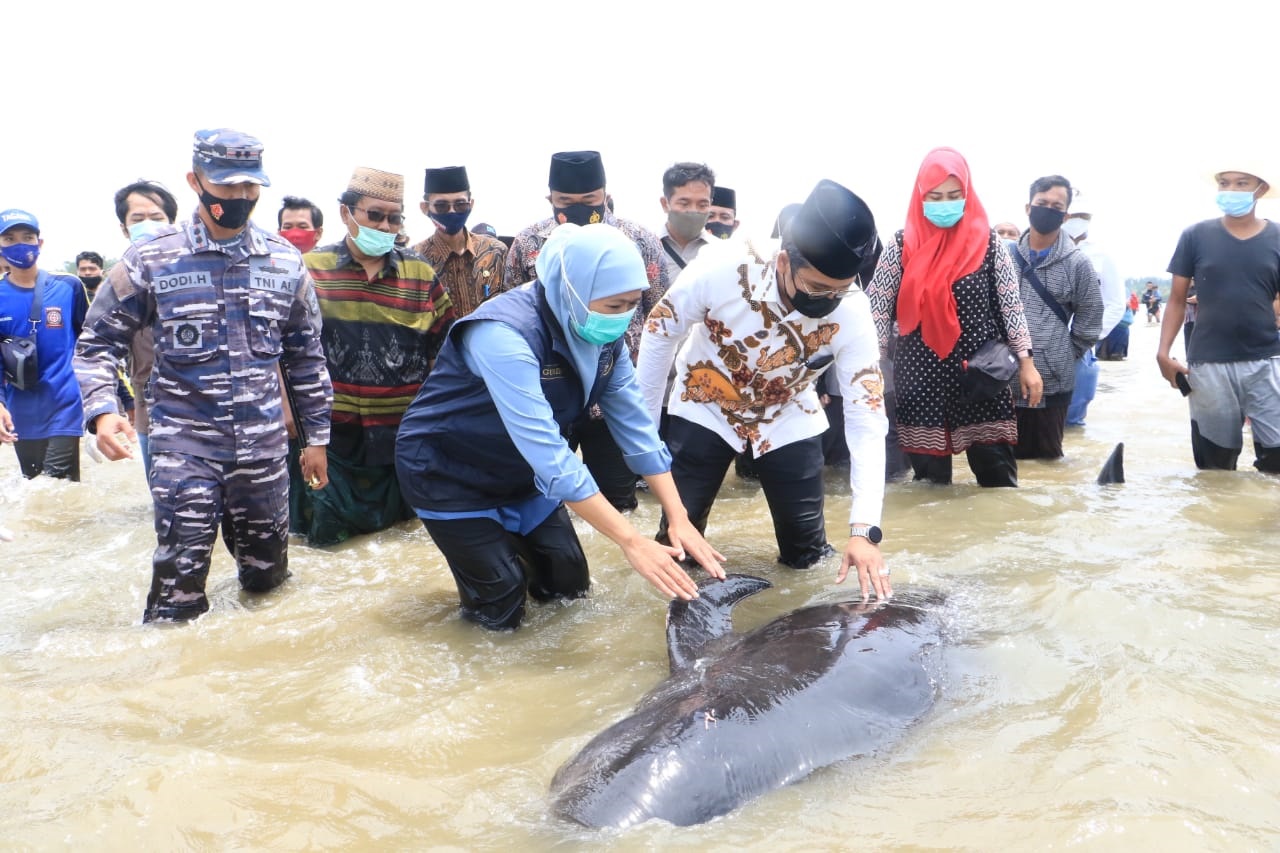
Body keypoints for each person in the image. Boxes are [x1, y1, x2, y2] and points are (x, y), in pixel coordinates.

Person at [395, 224, 725, 630]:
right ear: (573, 289)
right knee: (501, 600)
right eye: (613, 305)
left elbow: (637, 427)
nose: (622, 318)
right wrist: (631, 541)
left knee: (568, 583)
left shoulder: (603, 335)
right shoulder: (503, 334)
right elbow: (551, 457)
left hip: (520, 472)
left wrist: (678, 517)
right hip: (448, 472)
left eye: (631, 305)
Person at [74, 128, 333, 623]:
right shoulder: (151, 259)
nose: (238, 197)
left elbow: (305, 357)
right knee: (179, 589)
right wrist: (103, 412)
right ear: (196, 181)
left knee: (268, 582)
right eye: (226, 184)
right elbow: (96, 346)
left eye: (249, 187)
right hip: (184, 447)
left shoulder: (283, 262)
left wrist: (316, 439)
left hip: (262, 451)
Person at [638, 179, 892, 600]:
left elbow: (867, 416)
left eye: (838, 290)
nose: (826, 300)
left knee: (807, 558)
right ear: (782, 263)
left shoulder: (853, 310)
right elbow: (658, 330)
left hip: (786, 412)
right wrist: (644, 439)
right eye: (814, 288)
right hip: (706, 403)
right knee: (677, 544)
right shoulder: (721, 266)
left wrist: (865, 531)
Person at [293, 167, 454, 546]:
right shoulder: (310, 271)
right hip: (330, 439)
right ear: (346, 213)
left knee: (404, 539)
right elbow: (287, 353)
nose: (385, 225)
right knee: (325, 544)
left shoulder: (419, 273)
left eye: (394, 218)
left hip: (402, 440)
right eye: (374, 215)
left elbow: (444, 353)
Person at [505, 151, 670, 511]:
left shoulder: (638, 240)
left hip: (614, 394)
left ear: (605, 194)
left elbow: (660, 315)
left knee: (618, 501)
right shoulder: (530, 242)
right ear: (550, 199)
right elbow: (516, 313)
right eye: (566, 202)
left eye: (589, 201)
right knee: (543, 496)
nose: (578, 208)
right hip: (548, 394)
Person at [866, 148, 1041, 487]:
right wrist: (873, 372)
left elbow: (1011, 307)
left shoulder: (989, 244)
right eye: (935, 196)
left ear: (967, 194)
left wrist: (1027, 363)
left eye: (953, 195)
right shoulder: (900, 245)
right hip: (919, 377)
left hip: (981, 373)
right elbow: (877, 313)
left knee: (998, 482)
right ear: (920, 197)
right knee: (931, 489)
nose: (944, 203)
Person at [1158, 165, 1280, 471]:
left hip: (1267, 362)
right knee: (1215, 469)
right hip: (1208, 364)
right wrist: (1163, 353)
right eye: (1225, 183)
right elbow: (1175, 299)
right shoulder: (1195, 236)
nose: (1232, 190)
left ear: (1260, 189)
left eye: (1242, 183)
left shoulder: (1278, 237)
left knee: (1276, 465)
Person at [1004, 175, 1103, 460]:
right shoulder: (1004, 256)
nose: (1048, 209)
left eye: (1056, 205)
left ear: (1066, 214)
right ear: (1028, 207)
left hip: (1052, 383)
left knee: (1046, 464)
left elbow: (1091, 319)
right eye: (1042, 203)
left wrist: (1060, 354)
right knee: (1000, 466)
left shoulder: (1078, 263)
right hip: (1001, 378)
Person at [0, 209, 90, 481]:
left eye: (28, 237)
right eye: (9, 238)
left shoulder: (68, 286)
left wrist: (116, 396)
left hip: (66, 402)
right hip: (21, 409)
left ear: (40, 243)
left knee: (58, 484)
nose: (20, 243)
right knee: (36, 487)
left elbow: (92, 345)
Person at [110, 179, 181, 475]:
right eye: (138, 219)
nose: (148, 225)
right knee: (163, 503)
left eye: (157, 217)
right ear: (125, 229)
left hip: (202, 410)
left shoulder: (197, 273)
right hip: (147, 408)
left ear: (172, 223)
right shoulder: (118, 283)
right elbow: (98, 350)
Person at [411, 166, 508, 319]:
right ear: (425, 208)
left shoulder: (495, 252)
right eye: (441, 206)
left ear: (471, 204)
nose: (451, 211)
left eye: (460, 204)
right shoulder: (413, 261)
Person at [1062, 201, 1126, 426]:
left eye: (1082, 215)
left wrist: (1088, 336)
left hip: (1081, 348)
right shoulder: (1044, 249)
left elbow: (1115, 303)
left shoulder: (1101, 256)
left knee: (1073, 419)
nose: (1075, 220)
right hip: (1042, 344)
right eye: (1071, 215)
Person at [656, 162, 718, 284]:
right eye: (684, 203)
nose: (693, 211)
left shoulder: (721, 253)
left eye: (702, 205)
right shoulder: (647, 249)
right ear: (665, 204)